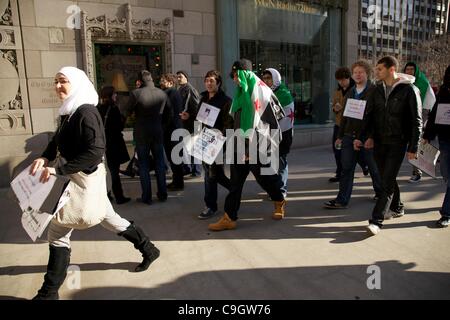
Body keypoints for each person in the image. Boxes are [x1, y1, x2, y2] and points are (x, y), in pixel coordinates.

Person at [29, 67, 160, 300]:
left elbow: (95, 151)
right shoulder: (69, 110)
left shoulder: (86, 112)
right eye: (55, 81)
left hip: (85, 180)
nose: (58, 86)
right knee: (112, 220)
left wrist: (57, 169)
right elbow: (58, 139)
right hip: (79, 179)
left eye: (63, 81)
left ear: (77, 83)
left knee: (58, 231)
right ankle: (149, 249)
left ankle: (48, 293)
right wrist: (44, 156)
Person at [208, 60, 286, 231]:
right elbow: (234, 119)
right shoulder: (239, 93)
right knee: (235, 183)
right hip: (238, 144)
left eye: (237, 76)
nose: (234, 79)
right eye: (233, 76)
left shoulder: (262, 93)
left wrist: (255, 146)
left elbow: (274, 120)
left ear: (245, 74)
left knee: (265, 179)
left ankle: (279, 199)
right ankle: (230, 217)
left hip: (256, 146)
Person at [355, 56, 422, 235]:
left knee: (386, 182)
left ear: (391, 69)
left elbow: (417, 121)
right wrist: (363, 137)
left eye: (380, 69)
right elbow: (369, 115)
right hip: (379, 141)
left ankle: (376, 220)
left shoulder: (409, 90)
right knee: (387, 177)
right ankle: (398, 206)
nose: (376, 72)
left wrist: (413, 147)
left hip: (398, 142)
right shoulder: (376, 89)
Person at [324, 60, 382, 209]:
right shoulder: (350, 92)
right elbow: (345, 116)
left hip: (367, 136)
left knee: (374, 167)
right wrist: (340, 135)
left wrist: (371, 137)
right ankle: (341, 200)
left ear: (367, 73)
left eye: (360, 72)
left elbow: (377, 117)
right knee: (346, 168)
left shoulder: (374, 91)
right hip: (349, 135)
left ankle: (381, 194)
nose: (357, 74)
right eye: (355, 72)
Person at [124, 70, 168, 204]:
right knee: (160, 164)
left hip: (142, 133)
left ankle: (147, 197)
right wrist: (161, 126)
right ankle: (162, 194)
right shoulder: (162, 93)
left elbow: (127, 111)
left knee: (143, 165)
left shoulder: (136, 93)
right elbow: (169, 114)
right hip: (157, 131)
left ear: (139, 81)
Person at [197, 70, 234, 219]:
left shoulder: (226, 101)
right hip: (203, 139)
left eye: (212, 81)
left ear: (218, 83)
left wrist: (221, 136)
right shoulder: (204, 98)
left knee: (210, 175)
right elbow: (200, 118)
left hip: (217, 141)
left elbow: (228, 123)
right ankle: (234, 190)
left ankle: (210, 206)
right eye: (206, 80)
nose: (208, 83)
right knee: (215, 174)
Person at [423, 65, 450, 228]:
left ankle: (446, 213)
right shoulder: (444, 92)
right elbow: (434, 115)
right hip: (445, 140)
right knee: (446, 175)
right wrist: (427, 135)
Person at [330, 67, 367, 182]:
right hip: (338, 124)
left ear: (348, 78)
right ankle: (339, 173)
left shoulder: (355, 90)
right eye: (339, 80)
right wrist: (335, 109)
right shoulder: (337, 91)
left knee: (355, 151)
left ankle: (365, 165)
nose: (341, 82)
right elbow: (334, 105)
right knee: (337, 150)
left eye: (343, 79)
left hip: (351, 126)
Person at [262, 68, 294, 198]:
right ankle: (273, 189)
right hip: (268, 133)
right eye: (264, 78)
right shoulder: (264, 92)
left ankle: (281, 189)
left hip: (282, 133)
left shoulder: (283, 94)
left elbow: (278, 116)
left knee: (280, 162)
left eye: (269, 78)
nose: (266, 81)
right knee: (269, 162)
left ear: (275, 78)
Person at [404, 62, 437, 183]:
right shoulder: (403, 82)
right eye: (407, 69)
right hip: (404, 118)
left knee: (415, 145)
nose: (409, 71)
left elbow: (429, 104)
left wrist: (424, 121)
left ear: (416, 71)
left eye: (412, 69)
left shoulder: (422, 82)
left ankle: (417, 172)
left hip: (419, 117)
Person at [97, 86, 131, 204]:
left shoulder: (97, 108)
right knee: (114, 171)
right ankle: (119, 196)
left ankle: (106, 195)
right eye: (114, 94)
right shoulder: (113, 109)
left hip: (101, 144)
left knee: (103, 171)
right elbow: (118, 127)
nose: (116, 96)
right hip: (113, 144)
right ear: (110, 95)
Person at [160, 73, 185, 191]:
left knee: (175, 158)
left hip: (172, 130)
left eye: (163, 80)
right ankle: (177, 181)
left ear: (170, 82)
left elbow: (169, 113)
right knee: (175, 158)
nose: (161, 81)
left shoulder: (170, 93)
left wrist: (163, 126)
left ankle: (178, 183)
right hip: (174, 128)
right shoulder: (173, 92)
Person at [176, 70, 202, 177]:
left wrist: (189, 116)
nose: (178, 79)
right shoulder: (181, 89)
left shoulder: (190, 89)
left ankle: (196, 171)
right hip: (185, 122)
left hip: (191, 123)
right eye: (177, 77)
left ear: (186, 78)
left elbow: (197, 106)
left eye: (180, 77)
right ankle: (189, 168)